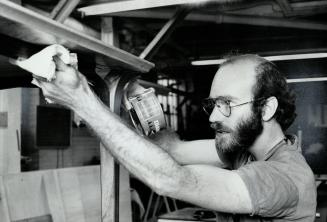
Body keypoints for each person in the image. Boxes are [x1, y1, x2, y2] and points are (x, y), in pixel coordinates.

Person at [35, 53, 316, 221]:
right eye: (214, 104)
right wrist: (131, 91)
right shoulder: (243, 148)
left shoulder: (284, 177)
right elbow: (170, 148)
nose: (213, 117)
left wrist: (81, 101)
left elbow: (172, 179)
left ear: (266, 108)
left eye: (227, 104)